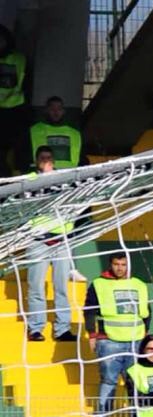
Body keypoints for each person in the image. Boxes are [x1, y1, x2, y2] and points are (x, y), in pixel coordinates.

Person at [82, 249, 148, 417]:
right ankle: (103, 415)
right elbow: (89, 310)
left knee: (134, 381)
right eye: (116, 264)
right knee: (108, 379)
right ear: (110, 265)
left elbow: (147, 312)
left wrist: (145, 334)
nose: (120, 268)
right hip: (109, 340)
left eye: (123, 265)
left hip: (136, 340)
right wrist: (92, 334)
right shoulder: (99, 284)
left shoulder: (139, 284)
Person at [22, 149, 75, 341]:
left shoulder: (66, 179)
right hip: (38, 240)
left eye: (49, 158)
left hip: (62, 239)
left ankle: (63, 329)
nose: (46, 161)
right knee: (36, 286)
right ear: (36, 161)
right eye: (42, 158)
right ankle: (36, 328)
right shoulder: (29, 179)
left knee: (61, 286)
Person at [0, 28, 27, 175]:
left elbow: (26, 82)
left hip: (15, 109)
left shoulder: (19, 59)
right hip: (10, 108)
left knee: (15, 149)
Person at [27, 96, 78, 169]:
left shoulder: (75, 133)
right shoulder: (34, 130)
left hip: (69, 175)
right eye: (52, 109)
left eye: (59, 109)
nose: (56, 112)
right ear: (46, 110)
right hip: (43, 175)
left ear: (63, 111)